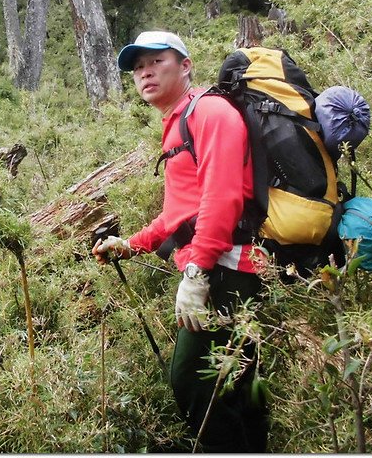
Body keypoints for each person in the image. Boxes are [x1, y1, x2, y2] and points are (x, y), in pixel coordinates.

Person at [91, 30, 269, 453]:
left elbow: (222, 198)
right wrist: (130, 244)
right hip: (220, 267)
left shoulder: (209, 113)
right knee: (234, 386)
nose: (145, 72)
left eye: (156, 61)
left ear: (185, 66)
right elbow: (178, 214)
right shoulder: (180, 122)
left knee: (192, 382)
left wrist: (196, 271)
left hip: (231, 269)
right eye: (137, 67)